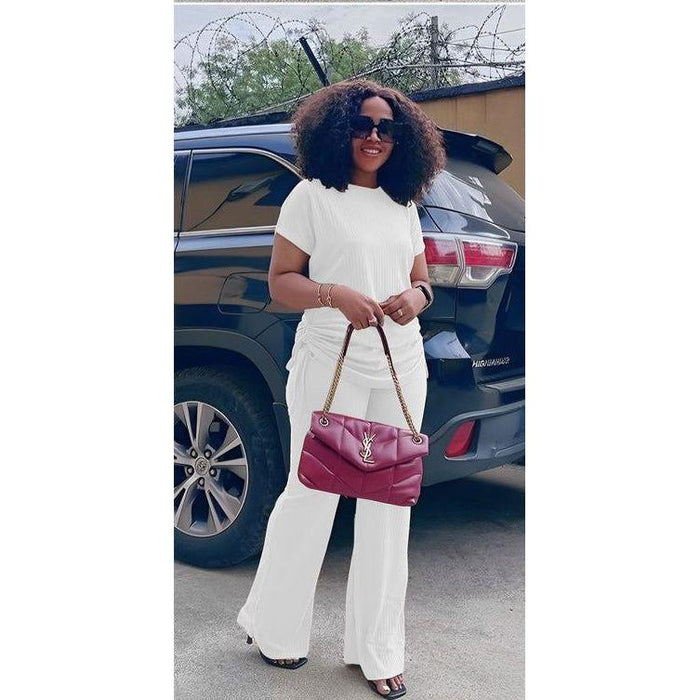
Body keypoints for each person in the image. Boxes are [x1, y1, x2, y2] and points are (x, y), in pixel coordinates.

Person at [236, 77, 445, 698]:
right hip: (331, 359)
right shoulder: (312, 197)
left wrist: (417, 297)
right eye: (361, 125)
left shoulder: (402, 204)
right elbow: (281, 281)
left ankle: (377, 650)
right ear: (337, 131)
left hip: (400, 364)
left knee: (390, 506)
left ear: (402, 139)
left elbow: (422, 281)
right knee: (312, 494)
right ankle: (276, 628)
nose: (374, 137)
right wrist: (333, 294)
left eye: (386, 128)